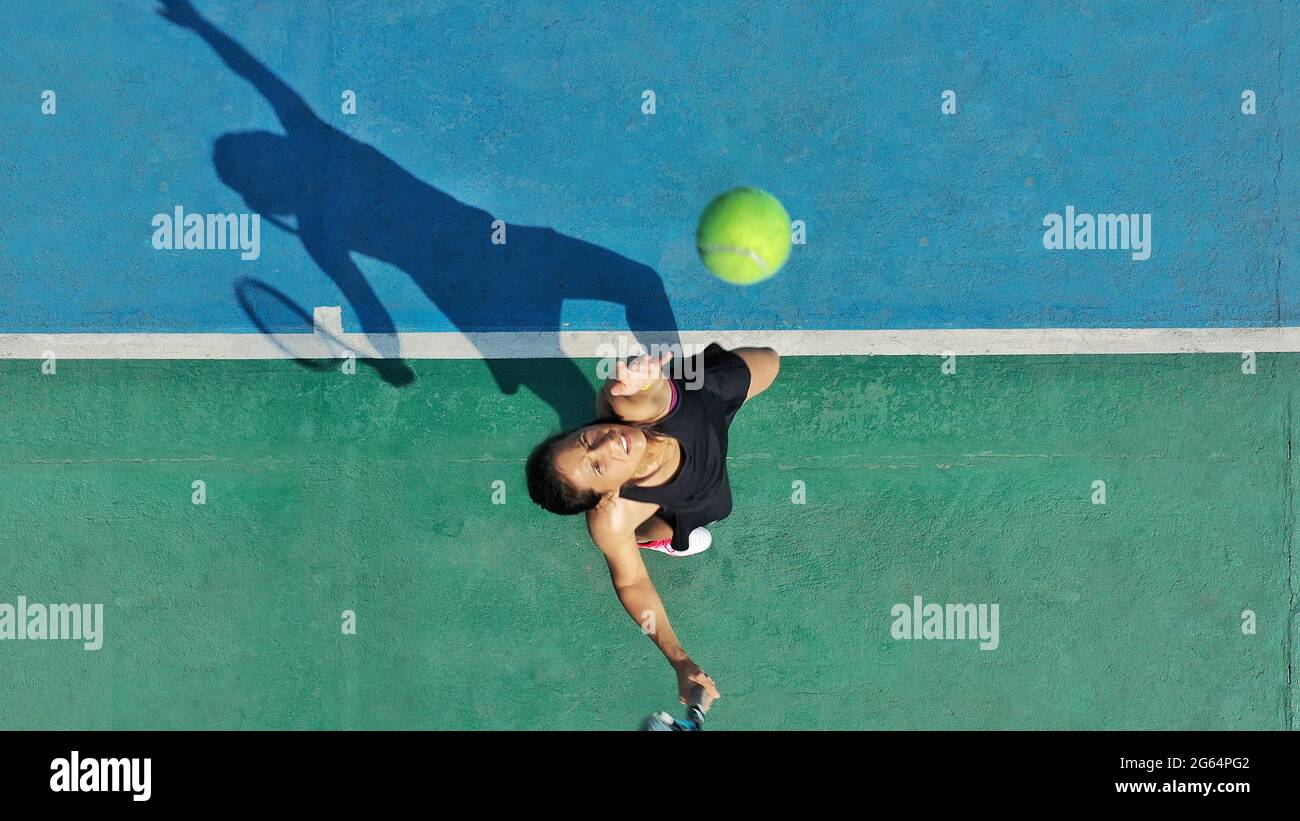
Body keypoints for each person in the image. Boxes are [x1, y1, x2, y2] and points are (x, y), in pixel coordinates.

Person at [526, 344, 780, 707]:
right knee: (715, 513)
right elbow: (631, 580)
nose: (610, 442)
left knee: (770, 362)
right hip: (700, 490)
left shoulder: (627, 409)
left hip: (702, 395)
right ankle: (651, 536)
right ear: (608, 494)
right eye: (598, 467)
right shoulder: (610, 517)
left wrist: (644, 384)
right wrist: (678, 659)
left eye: (585, 440)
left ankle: (699, 388)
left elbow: (652, 398)